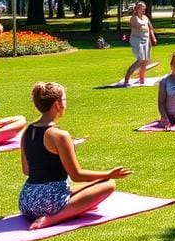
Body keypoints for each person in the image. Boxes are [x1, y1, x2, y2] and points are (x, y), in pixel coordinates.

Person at [20, 81, 132, 229]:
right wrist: (110, 173)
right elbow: (76, 175)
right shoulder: (59, 135)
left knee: (91, 185)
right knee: (108, 184)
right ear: (57, 104)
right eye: (64, 100)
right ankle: (51, 219)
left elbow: (27, 170)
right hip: (46, 203)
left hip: (26, 201)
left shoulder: (27, 131)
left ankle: (76, 206)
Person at [121, 1, 158, 85]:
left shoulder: (145, 17)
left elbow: (150, 28)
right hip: (137, 40)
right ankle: (126, 79)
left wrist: (153, 38)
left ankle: (142, 80)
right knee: (140, 60)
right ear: (136, 9)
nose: (142, 10)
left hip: (146, 40)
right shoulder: (134, 18)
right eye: (140, 8)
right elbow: (139, 27)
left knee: (145, 61)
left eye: (143, 8)